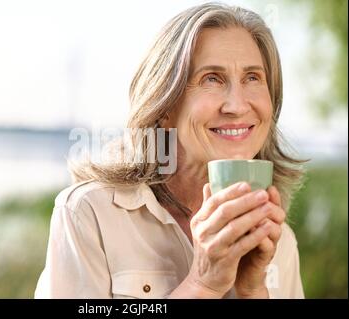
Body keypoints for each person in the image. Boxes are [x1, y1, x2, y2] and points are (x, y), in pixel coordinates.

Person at [35, 3, 306, 299]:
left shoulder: (279, 242)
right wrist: (203, 284)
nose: (237, 106)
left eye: (252, 77)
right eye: (212, 78)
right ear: (165, 107)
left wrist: (252, 291)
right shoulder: (89, 214)